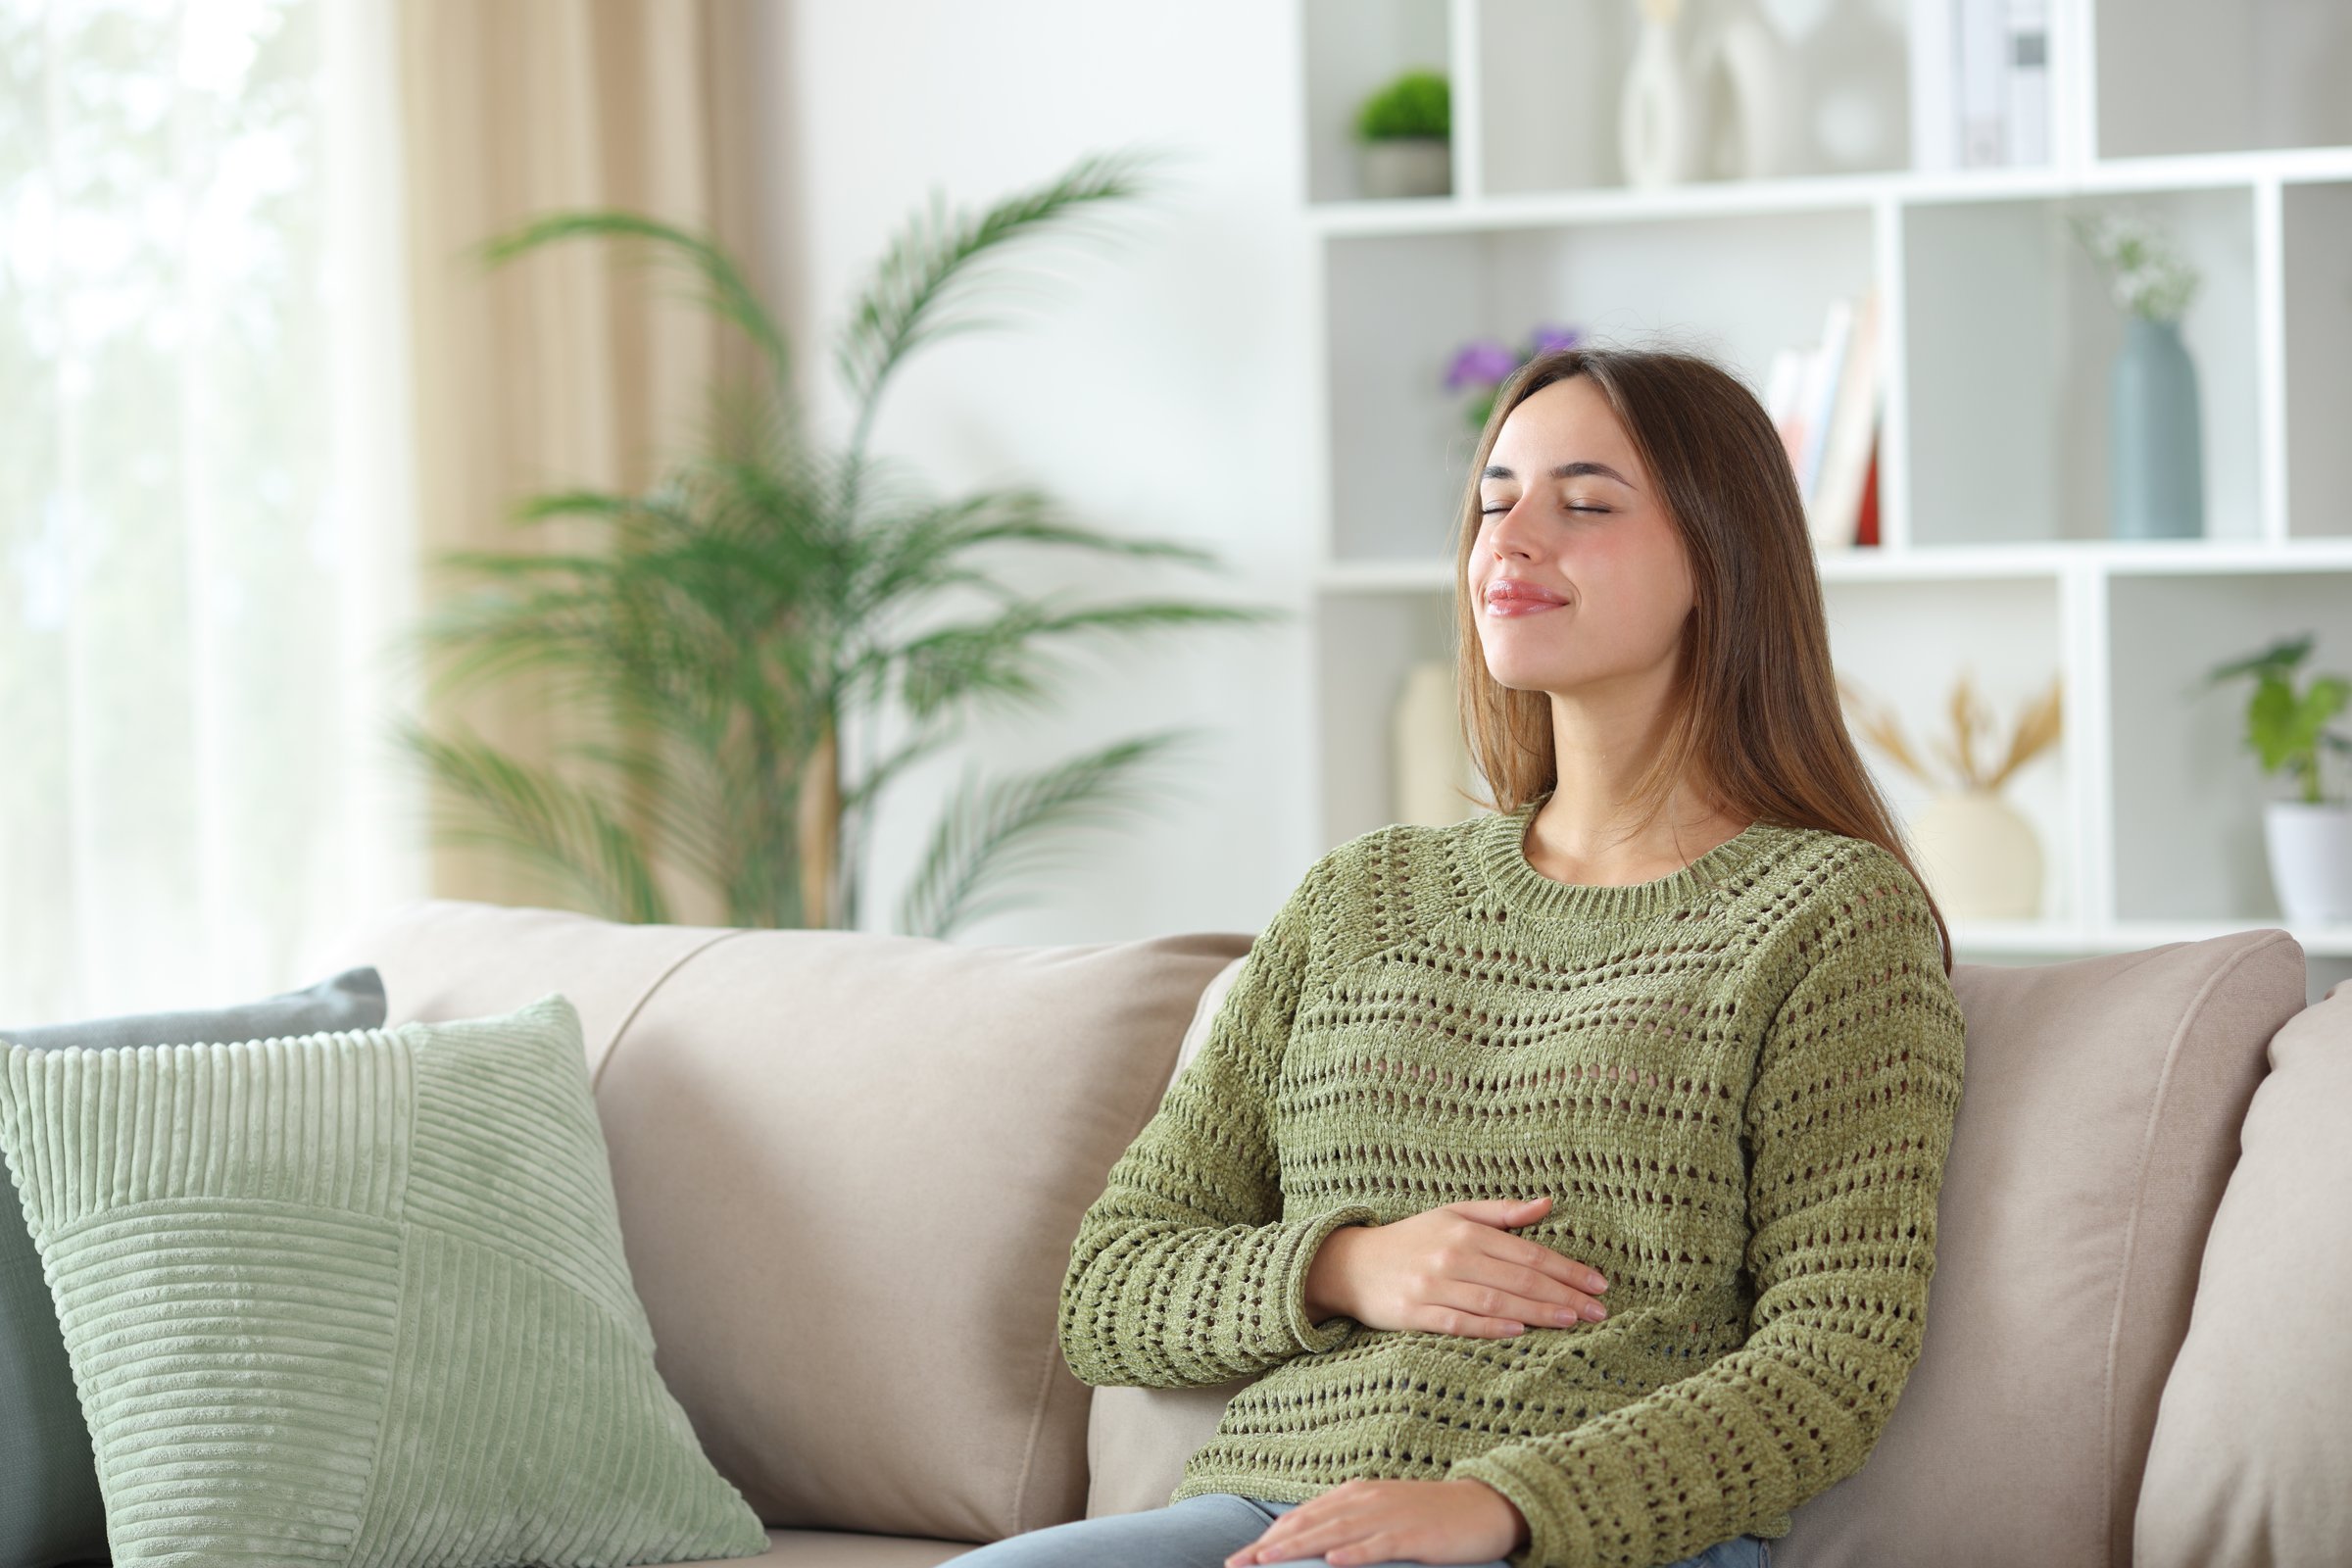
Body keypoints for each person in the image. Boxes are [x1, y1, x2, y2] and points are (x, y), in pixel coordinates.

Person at [958, 344, 1967, 1568]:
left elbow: (1830, 1360)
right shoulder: (1358, 899)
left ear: (1721, 559)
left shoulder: (1831, 917)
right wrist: (1347, 1264)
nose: (1512, 539)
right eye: (1494, 500)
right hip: (1263, 1522)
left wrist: (1502, 1507)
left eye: (1585, 503)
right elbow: (1109, 1291)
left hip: (1597, 1541)